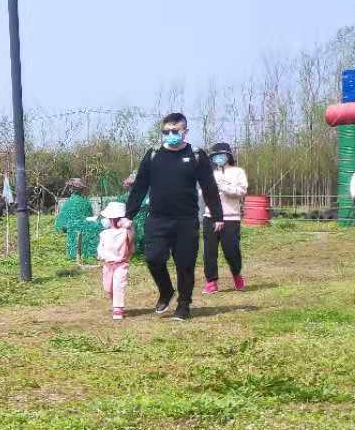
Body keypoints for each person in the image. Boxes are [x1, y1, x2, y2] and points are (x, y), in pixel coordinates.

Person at [124, 112, 224, 322]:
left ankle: (184, 306)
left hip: (186, 220)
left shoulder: (196, 155)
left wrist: (217, 216)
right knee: (153, 258)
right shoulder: (153, 155)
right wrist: (128, 215)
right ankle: (166, 290)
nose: (170, 134)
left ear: (184, 132)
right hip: (158, 219)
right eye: (166, 131)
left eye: (175, 131)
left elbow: (209, 187)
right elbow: (140, 187)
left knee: (185, 264)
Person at [202, 142, 248, 293]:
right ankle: (211, 282)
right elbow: (203, 194)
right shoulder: (210, 174)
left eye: (221, 155)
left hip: (231, 218)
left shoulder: (238, 172)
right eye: (215, 156)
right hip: (210, 216)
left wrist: (224, 187)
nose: (218, 158)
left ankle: (236, 275)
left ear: (228, 156)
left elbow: (242, 191)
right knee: (209, 251)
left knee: (231, 250)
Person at [97, 200, 134, 321]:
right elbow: (100, 248)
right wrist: (101, 255)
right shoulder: (104, 233)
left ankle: (118, 308)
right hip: (107, 265)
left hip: (120, 264)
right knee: (108, 287)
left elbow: (131, 240)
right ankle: (115, 303)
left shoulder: (125, 233)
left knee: (118, 285)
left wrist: (128, 225)